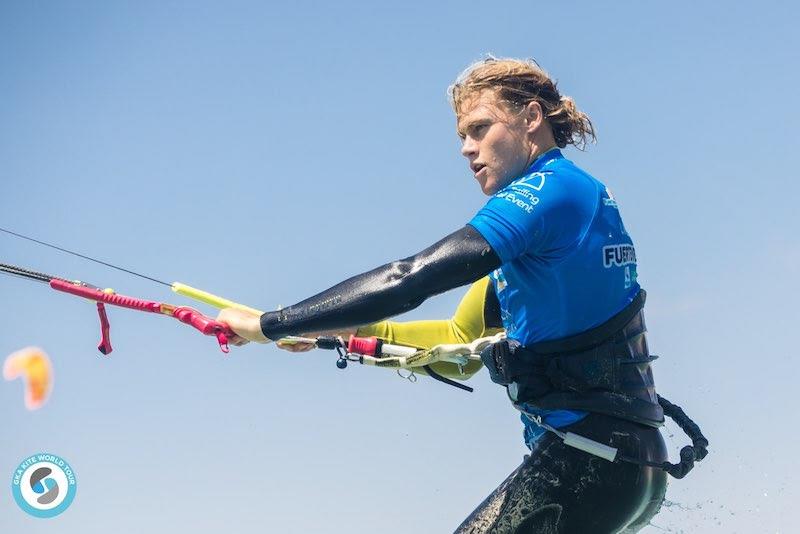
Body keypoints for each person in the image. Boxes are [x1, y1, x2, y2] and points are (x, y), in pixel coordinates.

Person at [218, 57, 705, 533]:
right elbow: (457, 342)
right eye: (461, 136)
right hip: (614, 466)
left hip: (586, 465)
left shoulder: (552, 191)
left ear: (531, 118)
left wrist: (272, 323)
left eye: (478, 129)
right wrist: (331, 328)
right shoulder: (546, 238)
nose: (466, 149)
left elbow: (410, 278)